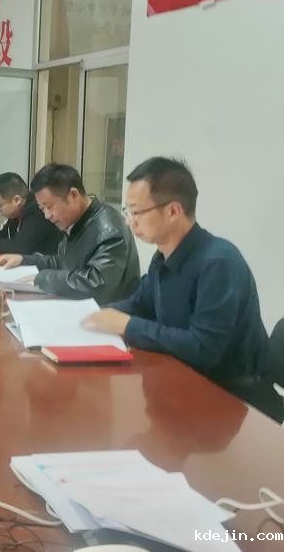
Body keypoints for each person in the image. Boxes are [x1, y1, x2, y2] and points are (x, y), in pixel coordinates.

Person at [82, 157, 281, 420]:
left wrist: (128, 326)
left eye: (136, 212)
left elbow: (204, 348)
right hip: (185, 380)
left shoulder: (219, 263)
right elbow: (140, 304)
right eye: (127, 211)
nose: (129, 222)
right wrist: (89, 316)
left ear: (173, 211)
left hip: (232, 400)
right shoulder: (163, 256)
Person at [0, 163, 139, 304]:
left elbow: (96, 283)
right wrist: (24, 260)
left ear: (73, 195)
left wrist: (44, 278)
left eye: (49, 206)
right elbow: (63, 261)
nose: (47, 215)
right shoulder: (78, 221)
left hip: (107, 313)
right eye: (42, 209)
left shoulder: (109, 229)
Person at [0, 172, 62, 255]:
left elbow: (19, 247)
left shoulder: (37, 212)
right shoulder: (17, 213)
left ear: (17, 200)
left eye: (0, 204)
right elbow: (6, 234)